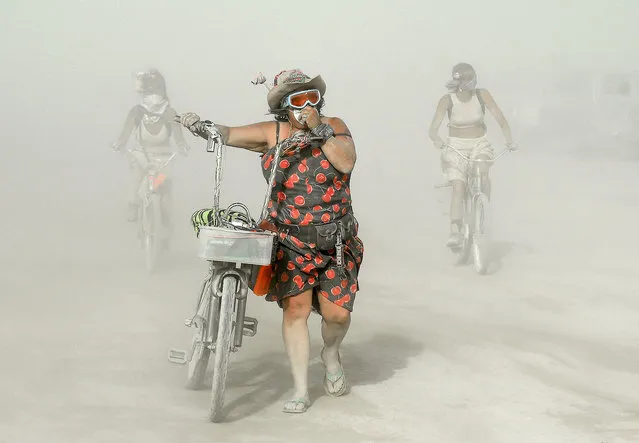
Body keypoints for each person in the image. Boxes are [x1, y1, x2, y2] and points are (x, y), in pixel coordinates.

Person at [177, 69, 364, 414]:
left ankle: (331, 352)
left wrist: (320, 131)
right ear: (284, 106)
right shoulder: (274, 133)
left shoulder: (335, 125)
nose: (306, 105)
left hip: (336, 241)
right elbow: (229, 133)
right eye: (297, 99)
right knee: (297, 310)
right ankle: (299, 389)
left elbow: (346, 161)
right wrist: (200, 125)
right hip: (291, 240)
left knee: (337, 316)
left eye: (312, 97)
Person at [428, 62, 516, 247]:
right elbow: (433, 129)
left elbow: (500, 119)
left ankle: (483, 210)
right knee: (458, 186)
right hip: (455, 147)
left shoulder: (482, 95)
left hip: (479, 144)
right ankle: (455, 230)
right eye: (466, 80)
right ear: (458, 81)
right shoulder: (447, 100)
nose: (470, 84)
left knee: (482, 170)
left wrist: (509, 140)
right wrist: (437, 139)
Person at [111, 69, 189, 223]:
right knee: (136, 180)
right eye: (149, 95)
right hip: (142, 156)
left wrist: (182, 146)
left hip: (163, 158)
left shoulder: (168, 112)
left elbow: (177, 132)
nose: (153, 100)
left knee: (164, 188)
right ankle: (133, 206)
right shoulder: (137, 112)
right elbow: (126, 132)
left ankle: (165, 226)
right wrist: (119, 144)